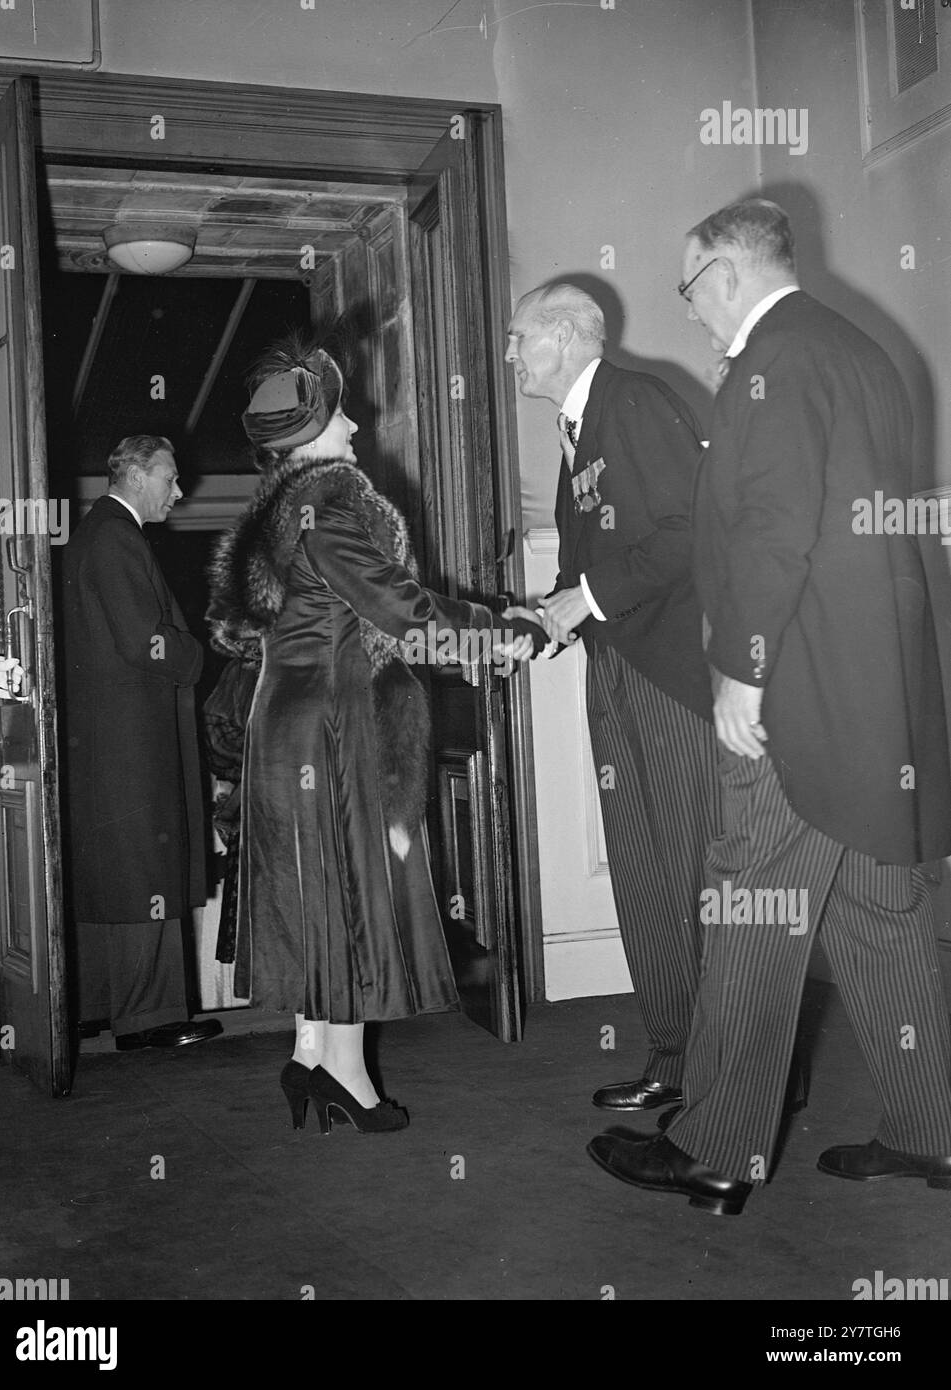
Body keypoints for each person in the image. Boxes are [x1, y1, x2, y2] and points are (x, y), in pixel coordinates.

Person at [588, 197, 951, 1216]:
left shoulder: (769, 360)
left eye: (688, 285)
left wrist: (743, 676)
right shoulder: (860, 350)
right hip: (877, 702)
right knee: (878, 911)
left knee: (751, 900)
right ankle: (931, 1131)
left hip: (796, 693)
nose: (688, 307)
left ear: (725, 271)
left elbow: (774, 527)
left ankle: (714, 1146)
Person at [207, 325, 546, 1135]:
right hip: (335, 719)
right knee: (352, 884)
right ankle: (349, 1079)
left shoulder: (280, 503)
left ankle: (313, 1055)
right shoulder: (331, 495)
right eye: (342, 415)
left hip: (283, 719)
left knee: (308, 882)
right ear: (314, 422)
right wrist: (502, 626)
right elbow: (397, 604)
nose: (356, 429)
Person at [504, 283, 720, 1115]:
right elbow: (583, 568)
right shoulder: (574, 432)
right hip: (615, 674)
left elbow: (691, 526)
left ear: (562, 335)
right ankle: (673, 1054)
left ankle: (721, 1067)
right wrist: (533, 625)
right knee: (641, 868)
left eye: (521, 337)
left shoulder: (634, 399)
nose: (514, 353)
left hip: (670, 677)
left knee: (691, 869)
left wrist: (583, 599)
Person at [62, 435, 222, 1053]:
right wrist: (194, 654)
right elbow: (142, 640)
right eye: (170, 479)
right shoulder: (116, 535)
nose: (178, 493)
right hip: (134, 740)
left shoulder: (96, 533)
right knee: (142, 869)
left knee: (115, 872)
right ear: (135, 475)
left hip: (111, 739)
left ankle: (103, 1005)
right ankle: (149, 1017)